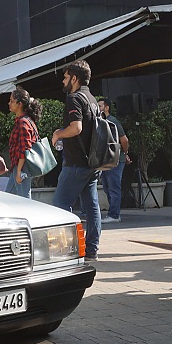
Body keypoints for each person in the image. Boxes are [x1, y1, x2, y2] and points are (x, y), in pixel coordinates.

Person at [51, 60, 101, 260]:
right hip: (92, 162)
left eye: (65, 77)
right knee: (92, 208)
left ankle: (65, 251)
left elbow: (76, 128)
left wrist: (58, 134)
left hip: (76, 164)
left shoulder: (74, 98)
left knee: (59, 205)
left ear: (74, 78)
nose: (63, 81)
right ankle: (91, 250)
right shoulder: (92, 99)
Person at [6, 87, 42, 199]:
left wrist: (18, 171)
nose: (9, 103)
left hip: (22, 166)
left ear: (20, 104)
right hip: (18, 166)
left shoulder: (23, 122)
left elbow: (24, 149)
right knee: (9, 197)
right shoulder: (26, 120)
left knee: (24, 199)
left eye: (12, 101)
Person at [98, 97, 129, 223]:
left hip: (114, 159)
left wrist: (125, 153)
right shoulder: (101, 122)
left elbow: (124, 139)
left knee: (113, 187)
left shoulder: (113, 122)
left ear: (107, 107)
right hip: (106, 160)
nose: (98, 108)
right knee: (107, 186)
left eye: (100, 106)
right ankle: (113, 213)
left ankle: (114, 215)